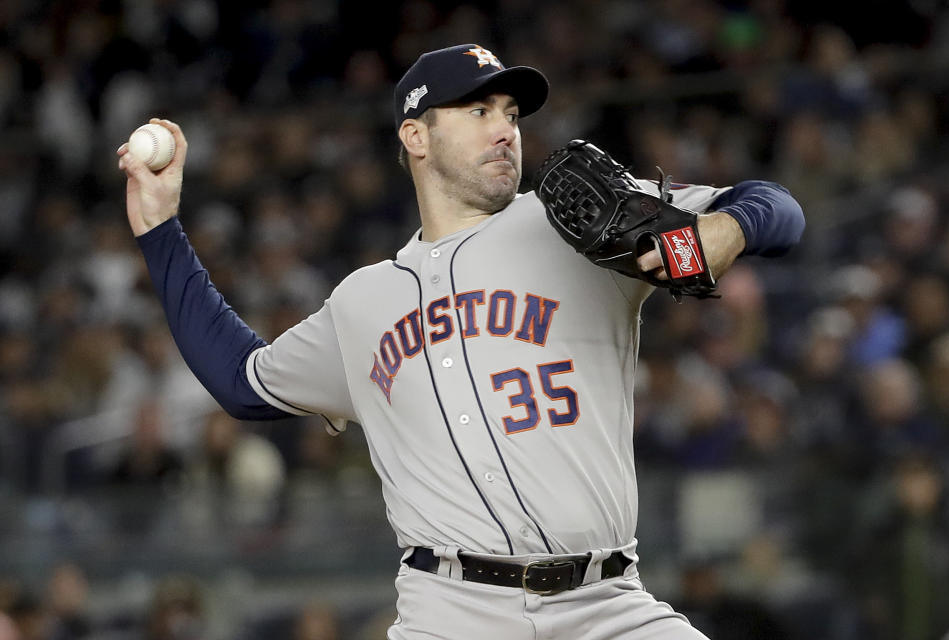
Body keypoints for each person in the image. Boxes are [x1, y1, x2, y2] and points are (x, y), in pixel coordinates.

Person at [117, 44, 804, 640]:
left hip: (608, 604)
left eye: (511, 113)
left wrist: (728, 226)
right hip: (451, 612)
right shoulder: (362, 303)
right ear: (416, 136)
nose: (506, 129)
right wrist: (160, 231)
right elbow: (242, 382)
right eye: (479, 112)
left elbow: (780, 208)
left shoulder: (574, 224)